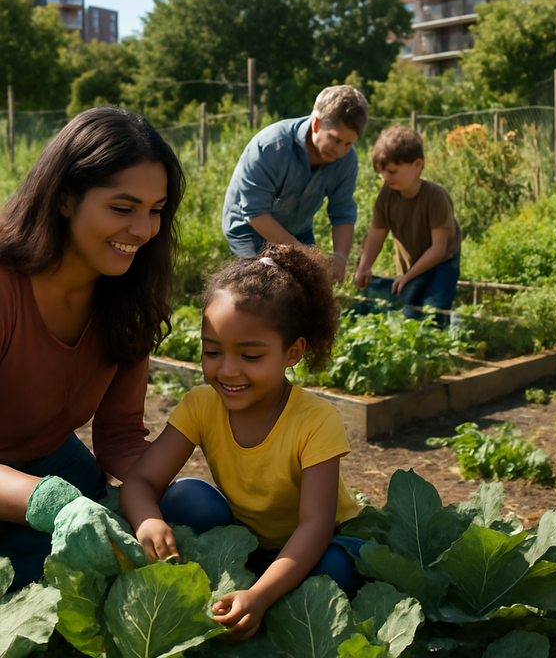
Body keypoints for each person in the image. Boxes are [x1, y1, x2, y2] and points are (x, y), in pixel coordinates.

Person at [120, 243, 361, 642]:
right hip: (248, 541)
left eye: (250, 356)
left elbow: (316, 525)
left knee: (337, 570)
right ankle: (246, 592)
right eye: (212, 351)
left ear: (292, 352)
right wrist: (148, 521)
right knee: (184, 499)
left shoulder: (316, 420)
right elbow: (142, 481)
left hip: (317, 543)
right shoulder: (201, 405)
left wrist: (260, 595)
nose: (227, 370)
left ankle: (259, 598)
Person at [0, 107, 184, 590]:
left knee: (178, 523)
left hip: (47, 460)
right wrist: (53, 504)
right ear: (64, 199)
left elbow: (120, 435)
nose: (143, 230)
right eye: (123, 209)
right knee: (37, 588)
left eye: (156, 210)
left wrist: (153, 495)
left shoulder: (129, 296)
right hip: (29, 482)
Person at [222, 85, 368, 282]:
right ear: (316, 124)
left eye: (348, 143)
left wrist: (340, 257)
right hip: (250, 228)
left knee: (308, 288)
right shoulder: (270, 147)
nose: (340, 150)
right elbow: (255, 214)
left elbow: (342, 211)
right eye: (335, 139)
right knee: (264, 289)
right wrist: (304, 254)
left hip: (298, 229)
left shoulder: (347, 159)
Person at [353, 126, 462, 321]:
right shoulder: (387, 194)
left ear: (418, 165)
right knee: (410, 314)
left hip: (442, 265)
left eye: (393, 171)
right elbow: (377, 233)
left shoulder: (435, 197)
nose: (386, 177)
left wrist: (408, 276)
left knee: (434, 313)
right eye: (382, 172)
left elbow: (438, 250)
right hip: (410, 264)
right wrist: (364, 266)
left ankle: (452, 326)